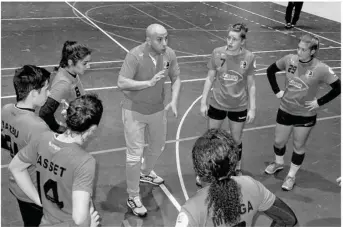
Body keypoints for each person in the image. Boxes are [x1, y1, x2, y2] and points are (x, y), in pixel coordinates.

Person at [9, 94, 103, 227]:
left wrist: (38, 200)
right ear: (92, 129)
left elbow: (15, 168)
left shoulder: (43, 138)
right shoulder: (84, 162)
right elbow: (79, 219)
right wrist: (89, 224)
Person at [117, 23, 181, 217]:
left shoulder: (169, 54)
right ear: (148, 40)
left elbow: (176, 78)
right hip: (133, 110)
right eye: (160, 39)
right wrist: (149, 82)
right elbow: (121, 82)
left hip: (157, 109)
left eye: (166, 38)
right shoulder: (135, 55)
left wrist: (174, 100)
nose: (164, 43)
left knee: (158, 146)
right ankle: (133, 196)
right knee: (134, 154)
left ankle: (145, 172)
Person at [175, 128, 298, 227]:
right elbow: (288, 219)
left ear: (199, 170)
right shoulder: (251, 186)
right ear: (233, 162)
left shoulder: (192, 210)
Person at [265, 34, 341, 191]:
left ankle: (291, 176)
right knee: (279, 142)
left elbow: (338, 87)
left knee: (298, 146)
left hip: (305, 115)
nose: (299, 52)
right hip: (285, 109)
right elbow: (270, 70)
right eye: (298, 48)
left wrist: (319, 102)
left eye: (303, 50)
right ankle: (278, 163)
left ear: (312, 51)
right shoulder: (289, 60)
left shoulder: (321, 68)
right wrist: (277, 91)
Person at [200, 23, 256, 176]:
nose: (230, 42)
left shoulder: (249, 57)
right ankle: (209, 168)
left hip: (239, 106)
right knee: (212, 138)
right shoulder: (217, 53)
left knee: (236, 140)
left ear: (242, 42)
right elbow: (210, 78)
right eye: (228, 38)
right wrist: (203, 102)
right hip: (217, 103)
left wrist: (252, 108)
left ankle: (236, 167)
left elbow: (251, 84)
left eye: (234, 39)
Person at [1, 65, 51, 226]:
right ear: (34, 93)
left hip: (16, 186)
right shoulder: (38, 127)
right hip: (34, 190)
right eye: (46, 89)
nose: (49, 93)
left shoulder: (6, 109)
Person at [39, 40, 92, 133]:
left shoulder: (71, 72)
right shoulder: (63, 84)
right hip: (69, 132)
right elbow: (45, 113)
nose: (88, 66)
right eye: (84, 63)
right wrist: (58, 128)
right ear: (71, 62)